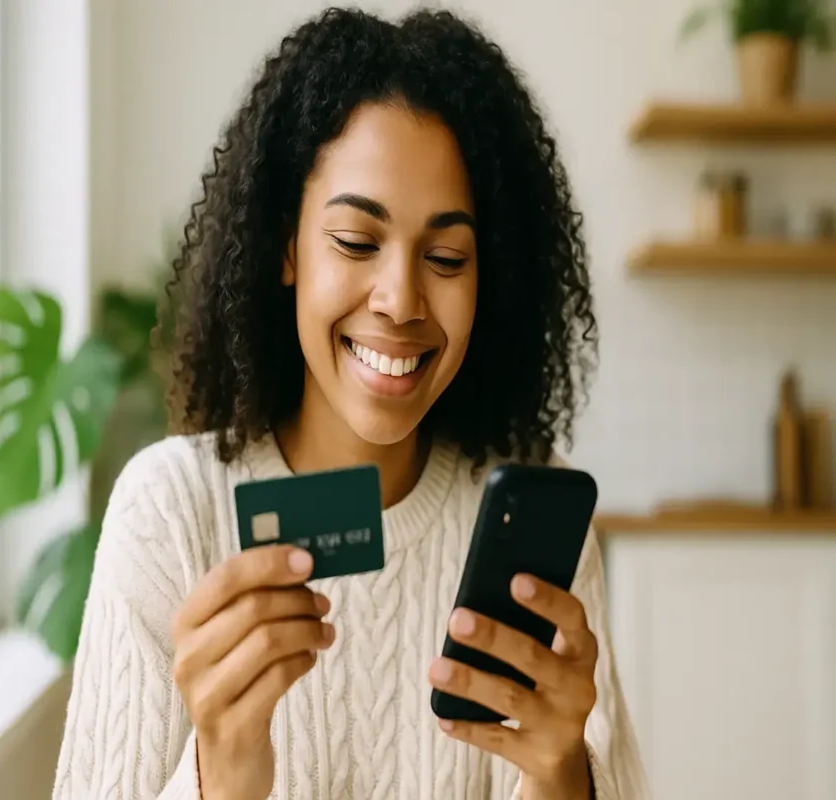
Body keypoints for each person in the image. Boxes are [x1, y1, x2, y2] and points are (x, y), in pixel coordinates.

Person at [52, 7, 650, 799]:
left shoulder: (532, 527)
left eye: (444, 256)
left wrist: (559, 773)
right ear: (286, 248)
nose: (400, 300)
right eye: (356, 242)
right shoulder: (171, 514)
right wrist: (219, 774)